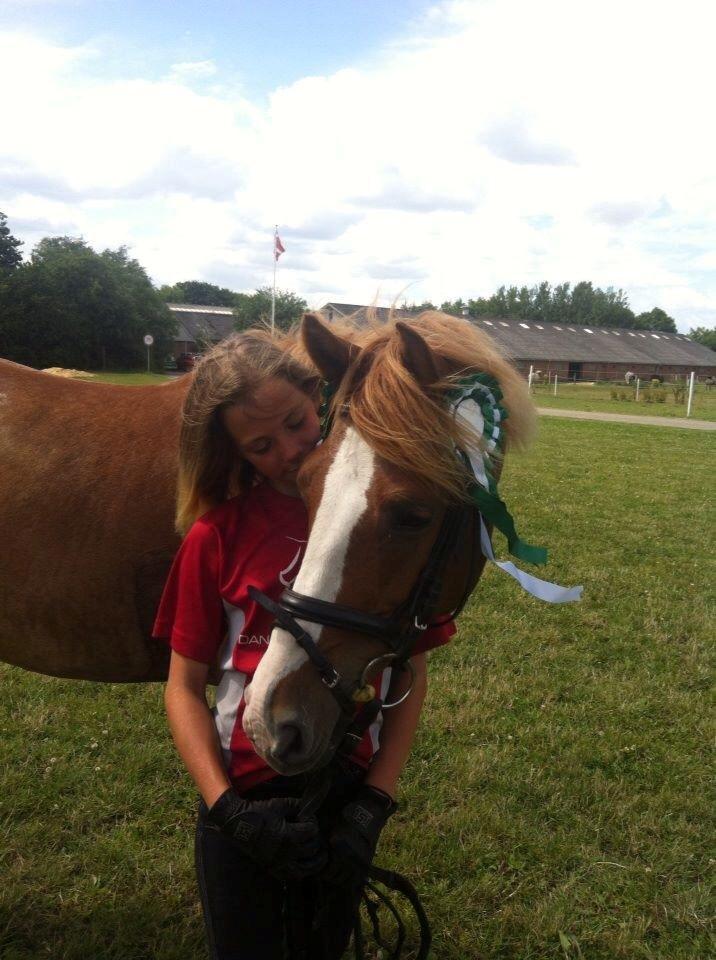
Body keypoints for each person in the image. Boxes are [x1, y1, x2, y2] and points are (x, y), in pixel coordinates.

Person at [153, 328, 454, 960]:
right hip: (241, 792)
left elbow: (410, 674)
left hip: (341, 794)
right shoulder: (216, 536)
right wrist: (227, 811)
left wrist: (374, 803)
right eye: (261, 445)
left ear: (319, 396)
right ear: (234, 453)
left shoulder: (370, 515)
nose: (291, 451)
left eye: (296, 422)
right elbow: (182, 689)